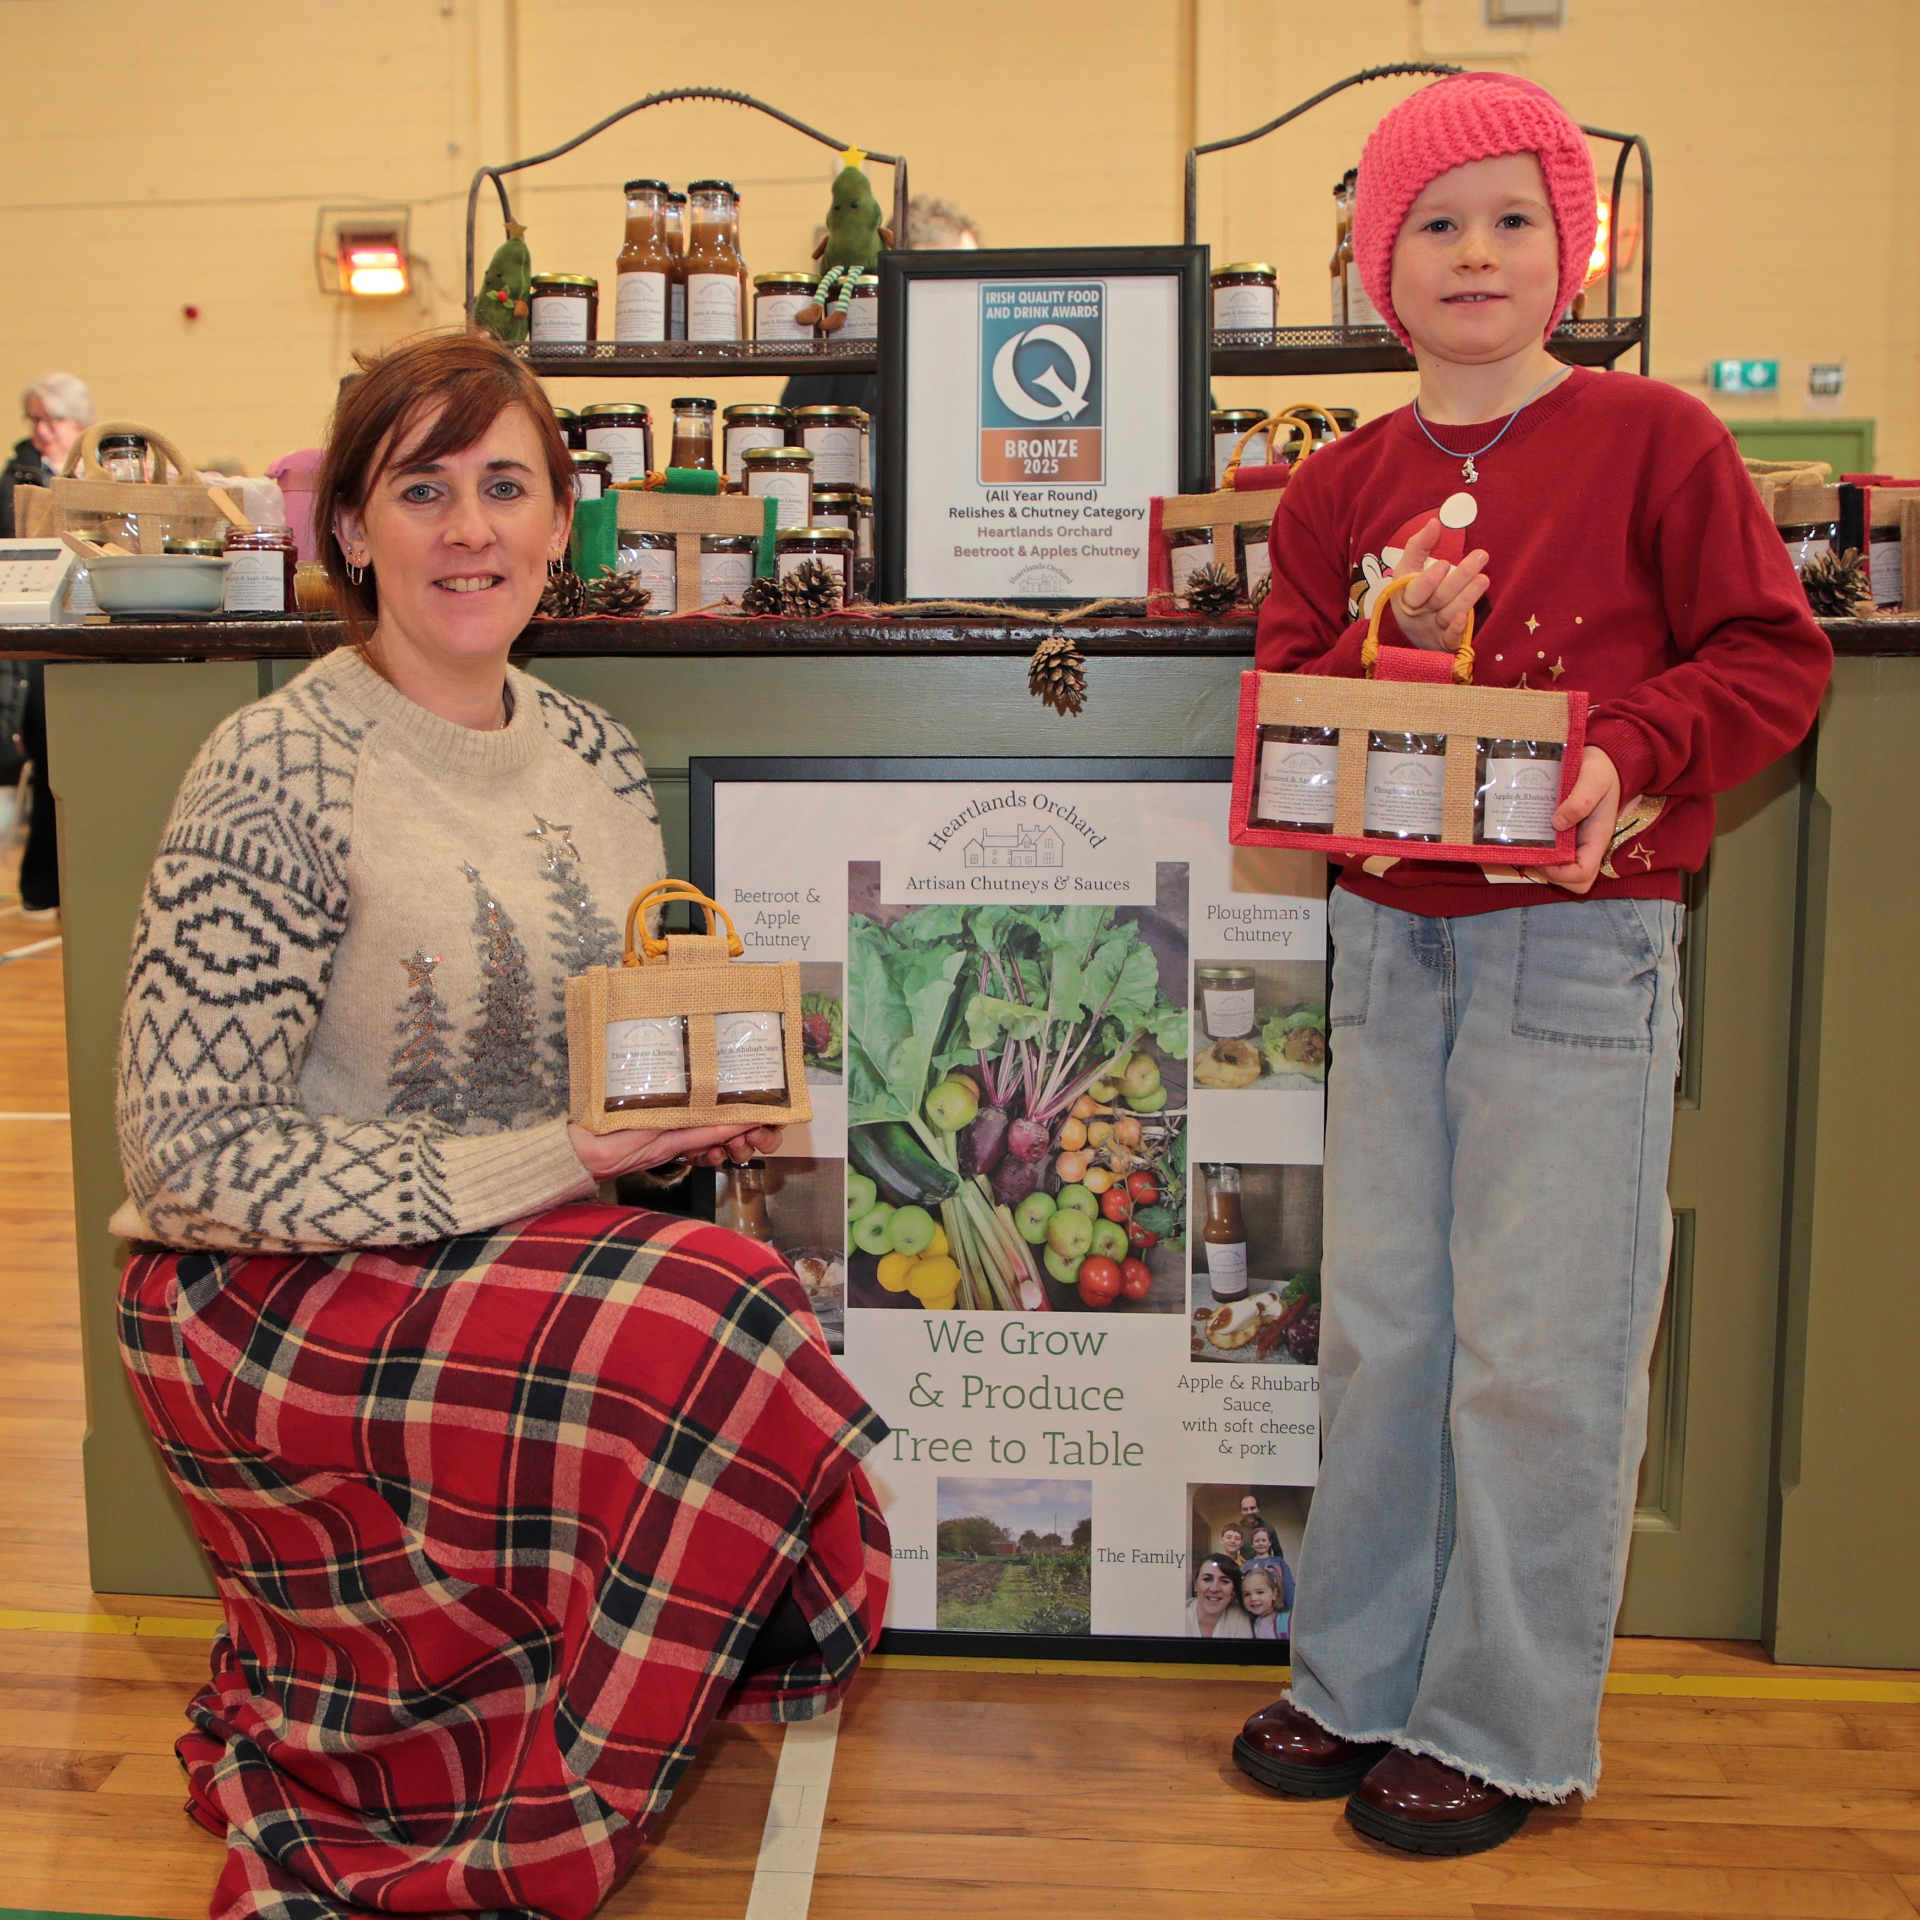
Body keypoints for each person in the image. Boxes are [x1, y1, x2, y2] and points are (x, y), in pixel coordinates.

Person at [113, 332, 889, 1920]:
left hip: (497, 1251)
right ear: (351, 530)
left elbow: (595, 1072)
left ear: (556, 523)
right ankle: (536, 1808)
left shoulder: (594, 751)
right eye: (423, 490)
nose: (469, 530)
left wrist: (690, 1109)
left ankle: (579, 1704)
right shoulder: (273, 767)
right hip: (268, 1290)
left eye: (505, 487)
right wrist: (569, 1157)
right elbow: (184, 1160)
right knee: (723, 1315)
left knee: (733, 1286)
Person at [1232, 73, 1830, 1859]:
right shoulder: (1336, 486)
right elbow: (1291, 704)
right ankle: (1357, 1679)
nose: (1475, 252)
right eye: (1435, 222)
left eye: (1512, 218)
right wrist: (1387, 638)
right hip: (1386, 940)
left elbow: (1769, 656)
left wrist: (1624, 755)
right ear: (1379, 264)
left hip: (1578, 944)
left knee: (1541, 1350)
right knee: (1386, 1329)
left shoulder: (1659, 443)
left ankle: (1498, 1722)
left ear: (1572, 250)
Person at [5, 374, 94, 916]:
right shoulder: (14, 479)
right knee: (49, 762)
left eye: (53, 419)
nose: (41, 430)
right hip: (36, 638)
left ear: (78, 423)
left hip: (88, 631)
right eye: (34, 419)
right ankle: (44, 887)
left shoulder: (97, 474)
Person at [1186, 1553, 1253, 1639]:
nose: (1214, 1589)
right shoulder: (1178, 1616)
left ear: (1233, 1590)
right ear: (1195, 1585)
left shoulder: (1239, 1617)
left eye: (1224, 1581)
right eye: (1207, 1579)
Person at [1243, 1523, 1296, 1614]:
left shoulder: (1278, 1561)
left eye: (1264, 1540)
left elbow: (1288, 1585)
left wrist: (1289, 1608)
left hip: (1278, 1608)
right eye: (1257, 1541)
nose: (1260, 1543)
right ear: (1252, 1545)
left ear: (1269, 1543)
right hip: (1256, 1609)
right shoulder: (1248, 1564)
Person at [1240, 1565, 1285, 1641]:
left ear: (1274, 1593)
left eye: (1260, 1592)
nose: (1253, 1598)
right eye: (1247, 1594)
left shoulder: (1287, 1622)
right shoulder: (1249, 1623)